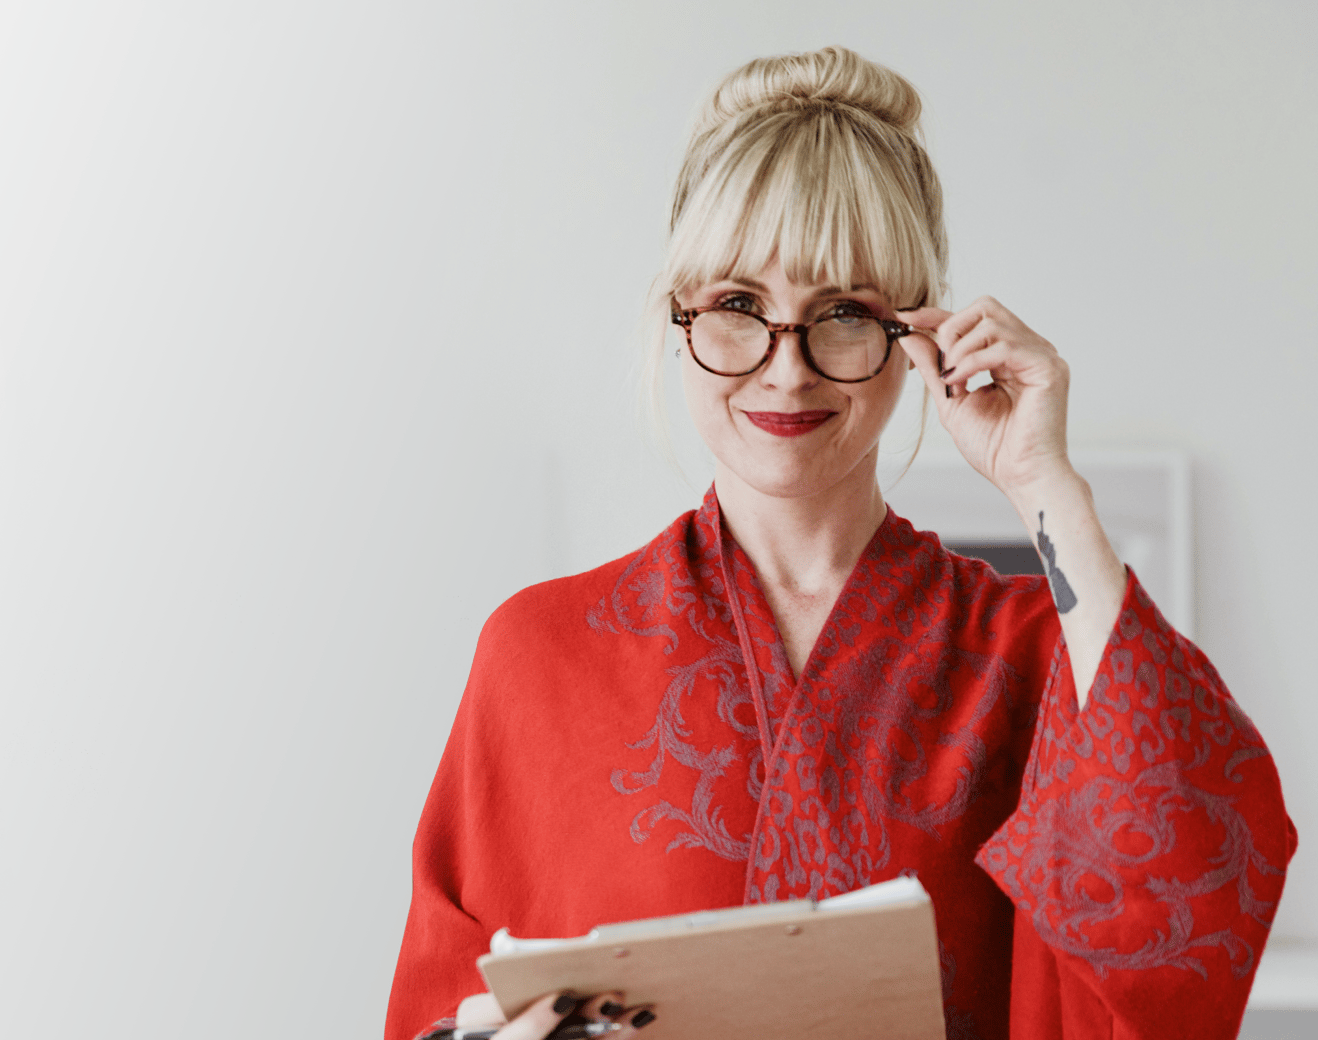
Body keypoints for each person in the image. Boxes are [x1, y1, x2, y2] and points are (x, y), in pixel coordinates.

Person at [384, 46, 1295, 1040]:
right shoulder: (538, 652)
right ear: (675, 314)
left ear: (915, 338)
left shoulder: (1029, 650)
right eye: (737, 305)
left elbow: (1195, 874)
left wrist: (1048, 486)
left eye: (844, 314)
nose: (787, 369)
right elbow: (434, 1002)